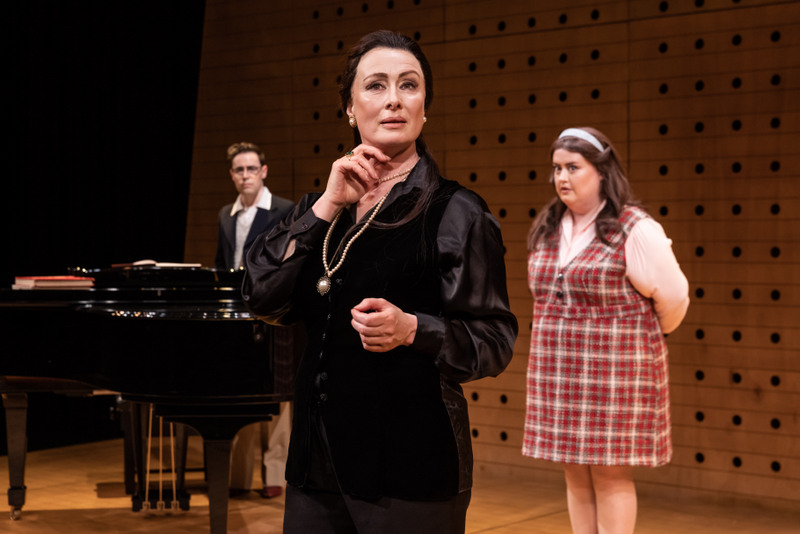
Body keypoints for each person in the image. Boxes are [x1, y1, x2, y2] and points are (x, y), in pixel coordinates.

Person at [242, 30, 518, 534]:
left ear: (424, 107)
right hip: (316, 466)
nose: (394, 98)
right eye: (376, 85)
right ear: (350, 108)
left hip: (410, 470)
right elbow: (260, 295)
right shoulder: (321, 208)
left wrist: (414, 329)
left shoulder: (457, 211)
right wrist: (328, 204)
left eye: (408, 85)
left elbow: (494, 341)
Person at [523, 127, 690, 534]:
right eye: (557, 168)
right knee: (574, 469)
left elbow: (674, 298)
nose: (562, 177)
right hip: (559, 368)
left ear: (601, 171)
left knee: (609, 471)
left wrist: (633, 340)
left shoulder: (634, 227)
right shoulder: (550, 226)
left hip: (614, 369)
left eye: (573, 167)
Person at [216, 142, 295, 498]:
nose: (245, 175)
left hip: (274, 314)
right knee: (241, 392)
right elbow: (222, 265)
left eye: (251, 169)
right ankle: (239, 476)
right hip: (237, 316)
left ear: (263, 172)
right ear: (232, 175)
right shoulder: (225, 214)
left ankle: (275, 473)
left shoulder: (284, 210)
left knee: (279, 394)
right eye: (239, 170)